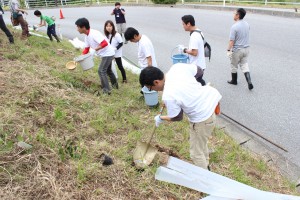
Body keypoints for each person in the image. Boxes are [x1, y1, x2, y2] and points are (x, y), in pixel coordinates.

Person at [139, 63, 222, 170]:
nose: (153, 90)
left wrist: (160, 118)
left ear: (156, 82)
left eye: (150, 88)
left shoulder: (169, 95)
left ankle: (205, 178)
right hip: (210, 105)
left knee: (196, 154)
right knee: (201, 143)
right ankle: (206, 165)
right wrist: (191, 89)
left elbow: (177, 117)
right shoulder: (177, 68)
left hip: (202, 118)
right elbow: (199, 71)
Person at [75, 18, 118, 95]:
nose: (77, 29)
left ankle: (106, 91)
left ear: (83, 27)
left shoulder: (94, 34)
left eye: (78, 27)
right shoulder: (87, 36)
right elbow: (86, 49)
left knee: (101, 71)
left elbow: (104, 43)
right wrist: (80, 57)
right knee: (108, 71)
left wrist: (95, 49)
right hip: (105, 54)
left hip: (108, 53)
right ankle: (115, 86)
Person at [227, 8, 253, 90]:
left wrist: (228, 50)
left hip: (237, 50)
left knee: (233, 66)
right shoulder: (247, 24)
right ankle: (249, 81)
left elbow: (231, 41)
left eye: (234, 13)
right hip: (246, 49)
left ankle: (234, 81)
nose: (233, 15)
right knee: (244, 65)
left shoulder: (234, 27)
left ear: (237, 15)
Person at [181, 15, 206, 86]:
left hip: (196, 66)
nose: (183, 26)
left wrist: (184, 50)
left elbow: (195, 52)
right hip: (201, 64)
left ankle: (206, 91)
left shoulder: (194, 36)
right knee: (199, 81)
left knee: (196, 84)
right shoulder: (199, 31)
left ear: (188, 24)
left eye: (183, 24)